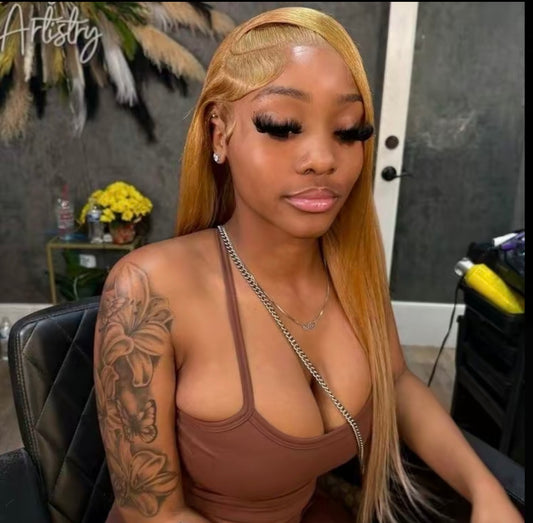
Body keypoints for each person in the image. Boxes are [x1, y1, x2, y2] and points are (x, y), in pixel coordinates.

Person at [94, 6, 524, 523]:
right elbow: (152, 515)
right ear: (219, 134)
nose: (323, 158)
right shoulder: (146, 288)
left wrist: (485, 490)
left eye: (348, 131)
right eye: (282, 127)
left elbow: (396, 381)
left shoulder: (352, 272)